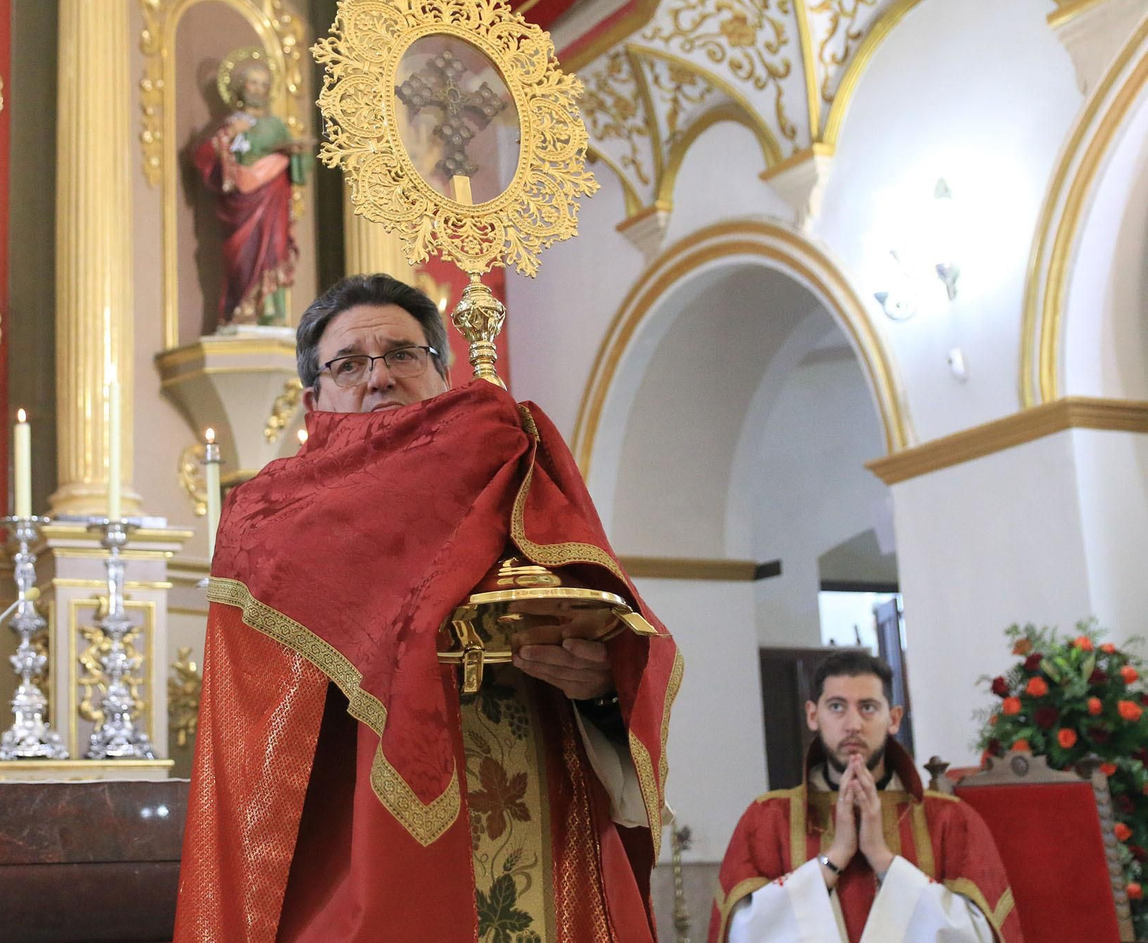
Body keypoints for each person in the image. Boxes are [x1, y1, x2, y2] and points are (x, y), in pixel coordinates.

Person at [174, 274, 681, 943]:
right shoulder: (268, 527)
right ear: (312, 400)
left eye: (404, 354)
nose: (379, 378)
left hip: (550, 852)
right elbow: (251, 769)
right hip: (355, 872)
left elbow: (617, 639)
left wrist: (597, 690)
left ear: (443, 375)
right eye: (350, 363)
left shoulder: (515, 473)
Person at [710, 649, 1021, 943]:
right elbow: (741, 932)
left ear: (894, 719)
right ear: (812, 715)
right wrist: (836, 857)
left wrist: (881, 858)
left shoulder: (950, 819)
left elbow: (980, 934)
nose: (853, 725)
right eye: (836, 707)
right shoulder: (768, 818)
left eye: (868, 707)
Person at [191, 53, 309, 327]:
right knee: (242, 259)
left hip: (273, 201)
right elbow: (203, 157)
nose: (258, 89)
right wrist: (230, 135)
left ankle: (270, 311)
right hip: (241, 203)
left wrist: (295, 154)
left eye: (263, 84)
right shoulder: (231, 124)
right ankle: (243, 309)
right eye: (252, 83)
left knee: (274, 250)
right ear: (241, 88)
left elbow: (297, 170)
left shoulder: (277, 125)